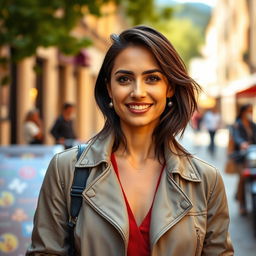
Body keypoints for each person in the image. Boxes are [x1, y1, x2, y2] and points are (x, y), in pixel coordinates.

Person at [27, 26, 233, 255]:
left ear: (170, 88)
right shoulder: (66, 170)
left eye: (152, 78)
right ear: (109, 87)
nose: (138, 92)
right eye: (124, 79)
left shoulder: (206, 181)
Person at [232, 104, 256, 215]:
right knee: (242, 178)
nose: (250, 113)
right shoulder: (237, 125)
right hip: (241, 156)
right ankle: (242, 205)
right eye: (248, 111)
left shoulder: (252, 124)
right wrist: (242, 143)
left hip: (252, 156)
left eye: (251, 111)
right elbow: (236, 137)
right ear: (243, 112)